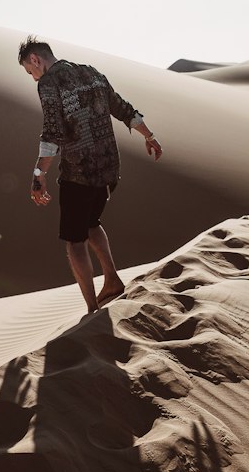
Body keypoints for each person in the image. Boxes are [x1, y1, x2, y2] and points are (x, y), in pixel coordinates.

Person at [18, 35, 162, 313]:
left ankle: (91, 310)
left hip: (79, 173)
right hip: (108, 170)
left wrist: (38, 173)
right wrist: (149, 135)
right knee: (91, 222)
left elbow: (52, 132)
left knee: (75, 241)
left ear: (35, 59)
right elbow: (122, 107)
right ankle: (111, 279)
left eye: (30, 71)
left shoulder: (49, 83)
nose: (34, 78)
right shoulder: (91, 73)